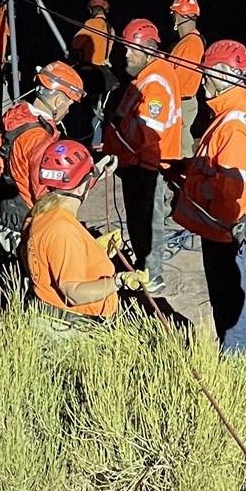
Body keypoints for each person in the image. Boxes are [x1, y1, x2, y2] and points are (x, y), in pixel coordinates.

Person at [173, 40, 246, 351]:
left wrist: (193, 185)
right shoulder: (229, 118)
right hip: (221, 230)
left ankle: (234, 360)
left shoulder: (233, 126)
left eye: (207, 73)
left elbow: (227, 190)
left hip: (224, 233)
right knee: (225, 301)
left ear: (225, 74)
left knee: (228, 304)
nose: (203, 81)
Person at [102, 18, 182, 292]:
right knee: (139, 222)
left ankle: (152, 276)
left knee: (148, 223)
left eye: (131, 50)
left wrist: (132, 160)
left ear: (148, 49)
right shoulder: (144, 79)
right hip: (133, 164)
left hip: (145, 167)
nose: (126, 55)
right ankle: (144, 267)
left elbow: (149, 133)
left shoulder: (156, 83)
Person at [24, 140, 146, 319]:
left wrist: (94, 249)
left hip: (50, 313)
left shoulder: (41, 214)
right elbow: (73, 293)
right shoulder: (63, 230)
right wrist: (119, 281)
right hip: (73, 325)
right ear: (81, 186)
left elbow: (54, 257)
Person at [0, 62, 86, 250]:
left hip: (7, 213)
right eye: (69, 104)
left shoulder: (16, 117)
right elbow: (44, 194)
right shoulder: (39, 139)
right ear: (59, 100)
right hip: (28, 221)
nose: (68, 110)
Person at [70, 0, 117, 145]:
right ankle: (97, 142)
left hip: (88, 72)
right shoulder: (111, 29)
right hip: (103, 75)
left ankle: (80, 141)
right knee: (97, 111)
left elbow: (75, 43)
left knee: (82, 111)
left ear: (92, 10)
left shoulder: (91, 23)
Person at [166, 0, 206, 158]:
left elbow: (179, 79)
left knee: (182, 148)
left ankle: (185, 175)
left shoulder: (191, 44)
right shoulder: (186, 42)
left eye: (174, 14)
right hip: (181, 101)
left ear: (180, 16)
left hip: (182, 102)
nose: (173, 18)